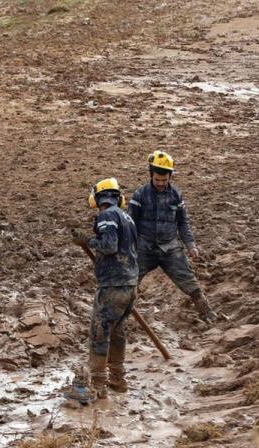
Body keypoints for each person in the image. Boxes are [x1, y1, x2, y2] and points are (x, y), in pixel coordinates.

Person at [128, 151, 216, 323]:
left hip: (170, 247)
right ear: (151, 175)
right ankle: (123, 318)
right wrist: (127, 247)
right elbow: (130, 223)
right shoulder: (139, 195)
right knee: (129, 283)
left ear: (170, 176)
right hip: (144, 246)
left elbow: (183, 222)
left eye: (164, 180)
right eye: (157, 180)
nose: (161, 183)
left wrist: (191, 245)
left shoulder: (176, 195)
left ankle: (207, 314)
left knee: (190, 282)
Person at [72, 178, 138, 397]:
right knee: (117, 332)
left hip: (112, 285)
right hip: (129, 284)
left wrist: (88, 241)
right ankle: (118, 381)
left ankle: (98, 386)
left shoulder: (107, 215)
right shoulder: (126, 216)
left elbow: (109, 246)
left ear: (98, 197)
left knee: (99, 333)